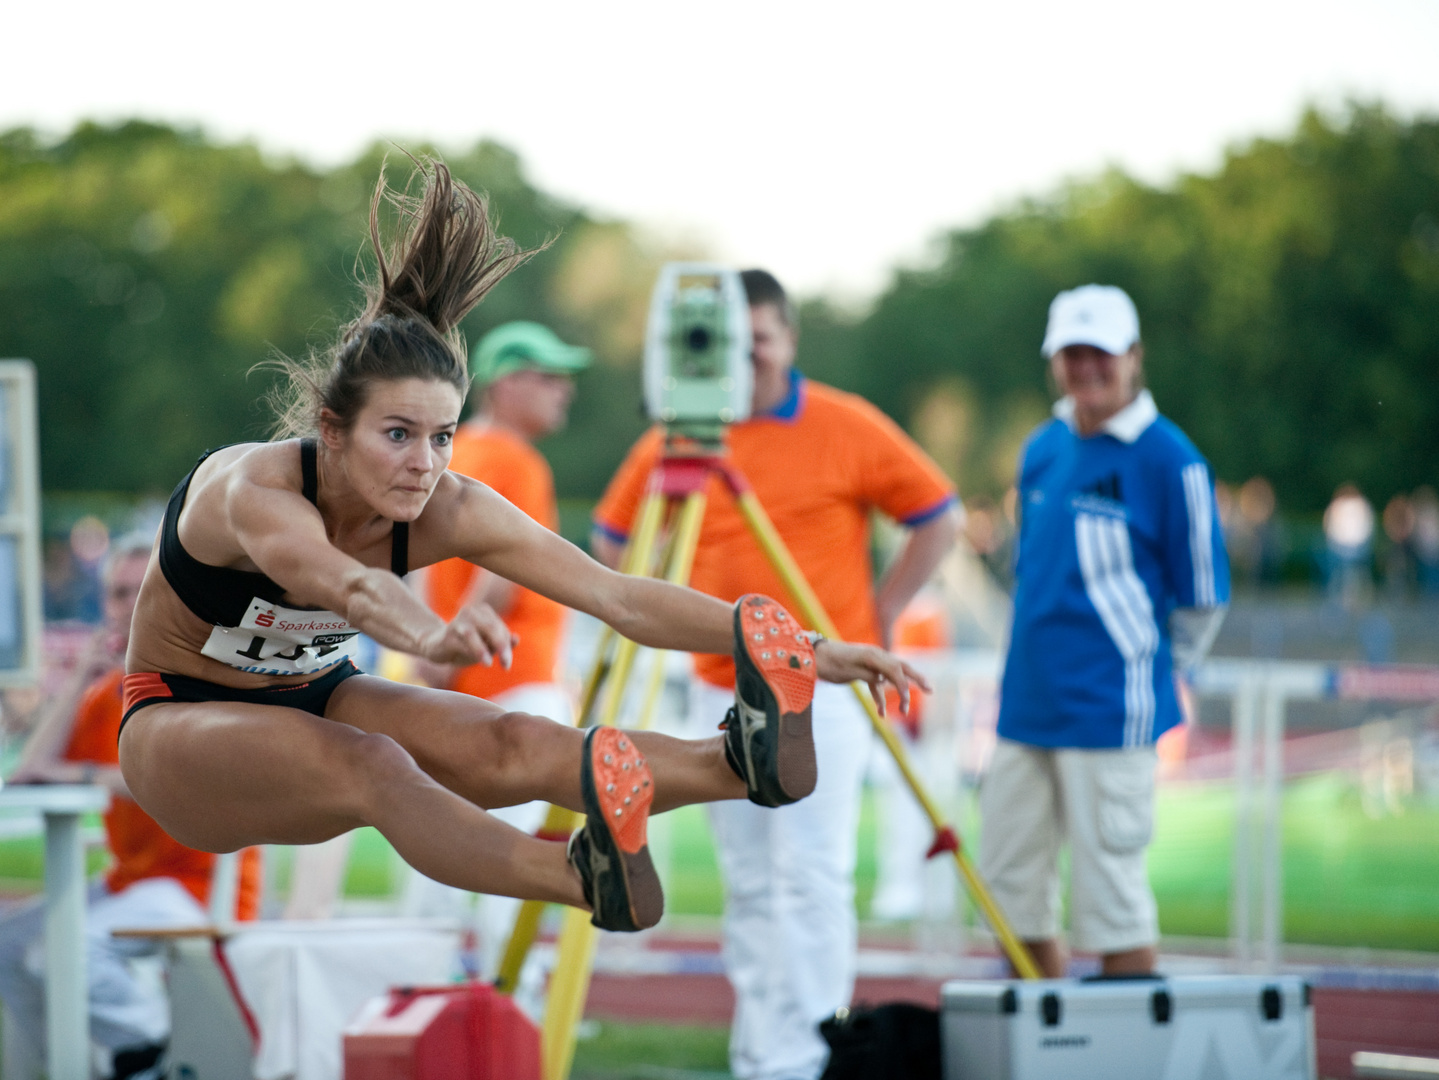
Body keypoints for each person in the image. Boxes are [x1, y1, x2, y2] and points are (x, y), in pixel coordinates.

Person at [115, 160, 925, 945]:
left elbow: (619, 596)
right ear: (331, 427)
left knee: (516, 740)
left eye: (441, 437)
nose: (423, 464)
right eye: (396, 435)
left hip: (319, 691)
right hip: (177, 722)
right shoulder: (250, 490)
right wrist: (430, 637)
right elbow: (347, 586)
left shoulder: (449, 502)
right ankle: (577, 878)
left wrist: (808, 648)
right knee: (378, 765)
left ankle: (734, 761)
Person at [592, 270, 960, 1080]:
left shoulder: (842, 423)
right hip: (718, 682)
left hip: (818, 682)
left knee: (809, 875)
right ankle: (762, 1054)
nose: (745, 355)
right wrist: (650, 599)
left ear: (789, 339)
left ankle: (805, 1054)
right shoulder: (676, 437)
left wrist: (883, 610)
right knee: (753, 883)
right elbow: (610, 539)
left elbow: (939, 514)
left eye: (758, 337)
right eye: (730, 339)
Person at [982, 284, 1230, 978]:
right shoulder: (1043, 446)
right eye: (1071, 353)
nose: (1086, 367)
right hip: (1023, 707)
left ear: (1133, 357)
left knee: (1110, 905)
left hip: (1109, 715)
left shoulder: (1168, 458)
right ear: (1053, 361)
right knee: (1008, 895)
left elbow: (1203, 598)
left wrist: (1149, 671)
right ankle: (1041, 1046)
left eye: (1101, 351)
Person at [0, 540, 261, 1080]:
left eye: (141, 592)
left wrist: (80, 775)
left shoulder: (198, 678)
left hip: (200, 884)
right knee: (2, 944)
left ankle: (148, 1046)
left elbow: (176, 781)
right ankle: (86, 1064)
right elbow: (32, 767)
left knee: (61, 951)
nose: (127, 606)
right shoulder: (108, 690)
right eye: (116, 594)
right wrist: (80, 676)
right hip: (131, 882)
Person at [409, 320, 590, 978]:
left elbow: (422, 572)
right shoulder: (516, 459)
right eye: (549, 377)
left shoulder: (445, 455)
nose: (563, 391)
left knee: (440, 849)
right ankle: (506, 998)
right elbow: (507, 576)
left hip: (453, 689)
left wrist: (429, 651)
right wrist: (450, 650)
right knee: (509, 854)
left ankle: (427, 991)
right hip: (513, 675)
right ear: (508, 382)